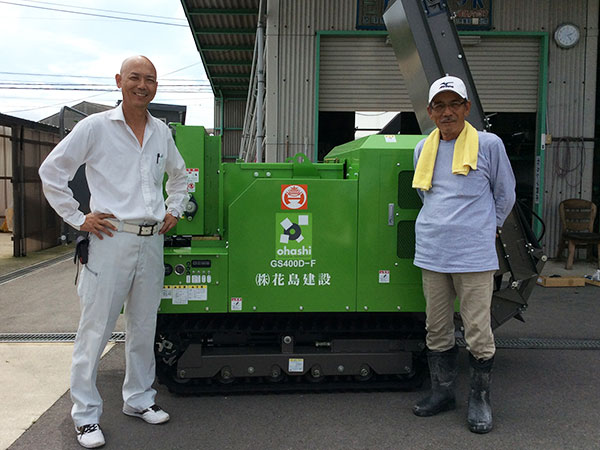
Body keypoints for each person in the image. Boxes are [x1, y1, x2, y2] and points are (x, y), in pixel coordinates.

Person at [39, 55, 188, 448]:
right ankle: (85, 417)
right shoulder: (95, 128)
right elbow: (52, 171)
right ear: (119, 81)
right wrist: (77, 217)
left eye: (150, 79)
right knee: (95, 331)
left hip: (151, 241)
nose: (143, 85)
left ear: (156, 86)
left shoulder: (161, 133)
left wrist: (173, 209)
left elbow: (180, 175)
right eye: (135, 78)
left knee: (144, 327)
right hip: (110, 238)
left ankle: (138, 399)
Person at [411, 75, 516, 433]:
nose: (447, 111)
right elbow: (428, 196)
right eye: (439, 105)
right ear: (430, 112)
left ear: (467, 108)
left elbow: (505, 195)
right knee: (436, 329)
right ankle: (442, 393)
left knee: (477, 330)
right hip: (432, 252)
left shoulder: (489, 145)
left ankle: (479, 399)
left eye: (455, 103)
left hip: (473, 256)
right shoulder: (423, 148)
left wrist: (486, 228)